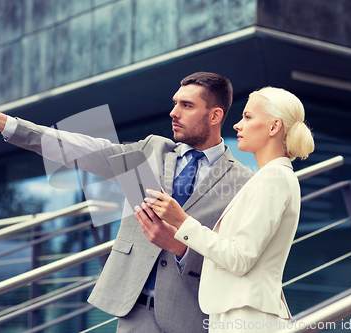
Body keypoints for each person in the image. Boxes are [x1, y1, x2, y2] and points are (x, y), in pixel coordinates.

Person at [0, 72, 254, 333]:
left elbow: (239, 259)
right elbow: (80, 148)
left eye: (187, 105)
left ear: (215, 116)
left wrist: (181, 248)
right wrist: (0, 121)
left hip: (191, 319)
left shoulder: (243, 181)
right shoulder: (152, 150)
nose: (174, 113)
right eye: (175, 104)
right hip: (133, 316)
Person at [134, 87, 315, 332]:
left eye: (248, 117)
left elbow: (240, 258)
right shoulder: (267, 178)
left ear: (274, 127)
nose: (237, 125)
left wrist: (182, 221)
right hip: (237, 314)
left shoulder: (274, 179)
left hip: (248, 319)